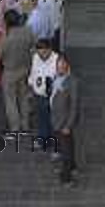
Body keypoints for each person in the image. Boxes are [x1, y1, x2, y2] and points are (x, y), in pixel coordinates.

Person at [0, 9, 35, 138]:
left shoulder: (6, 37)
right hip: (26, 68)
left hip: (10, 71)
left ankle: (15, 128)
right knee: (23, 97)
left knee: (10, 100)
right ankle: (25, 125)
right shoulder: (28, 31)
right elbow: (33, 46)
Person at [50, 53, 80, 186]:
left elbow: (74, 105)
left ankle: (66, 177)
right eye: (58, 64)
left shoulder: (72, 82)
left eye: (62, 64)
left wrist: (68, 125)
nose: (59, 67)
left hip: (64, 122)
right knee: (69, 145)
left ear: (68, 65)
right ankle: (73, 167)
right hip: (56, 120)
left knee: (65, 151)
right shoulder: (56, 78)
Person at [28, 39, 58, 150]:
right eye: (40, 52)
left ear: (50, 49)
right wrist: (31, 86)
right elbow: (33, 72)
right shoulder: (36, 57)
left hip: (53, 96)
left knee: (53, 120)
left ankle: (53, 141)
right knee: (41, 119)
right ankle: (42, 140)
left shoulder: (57, 60)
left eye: (45, 53)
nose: (42, 56)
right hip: (39, 95)